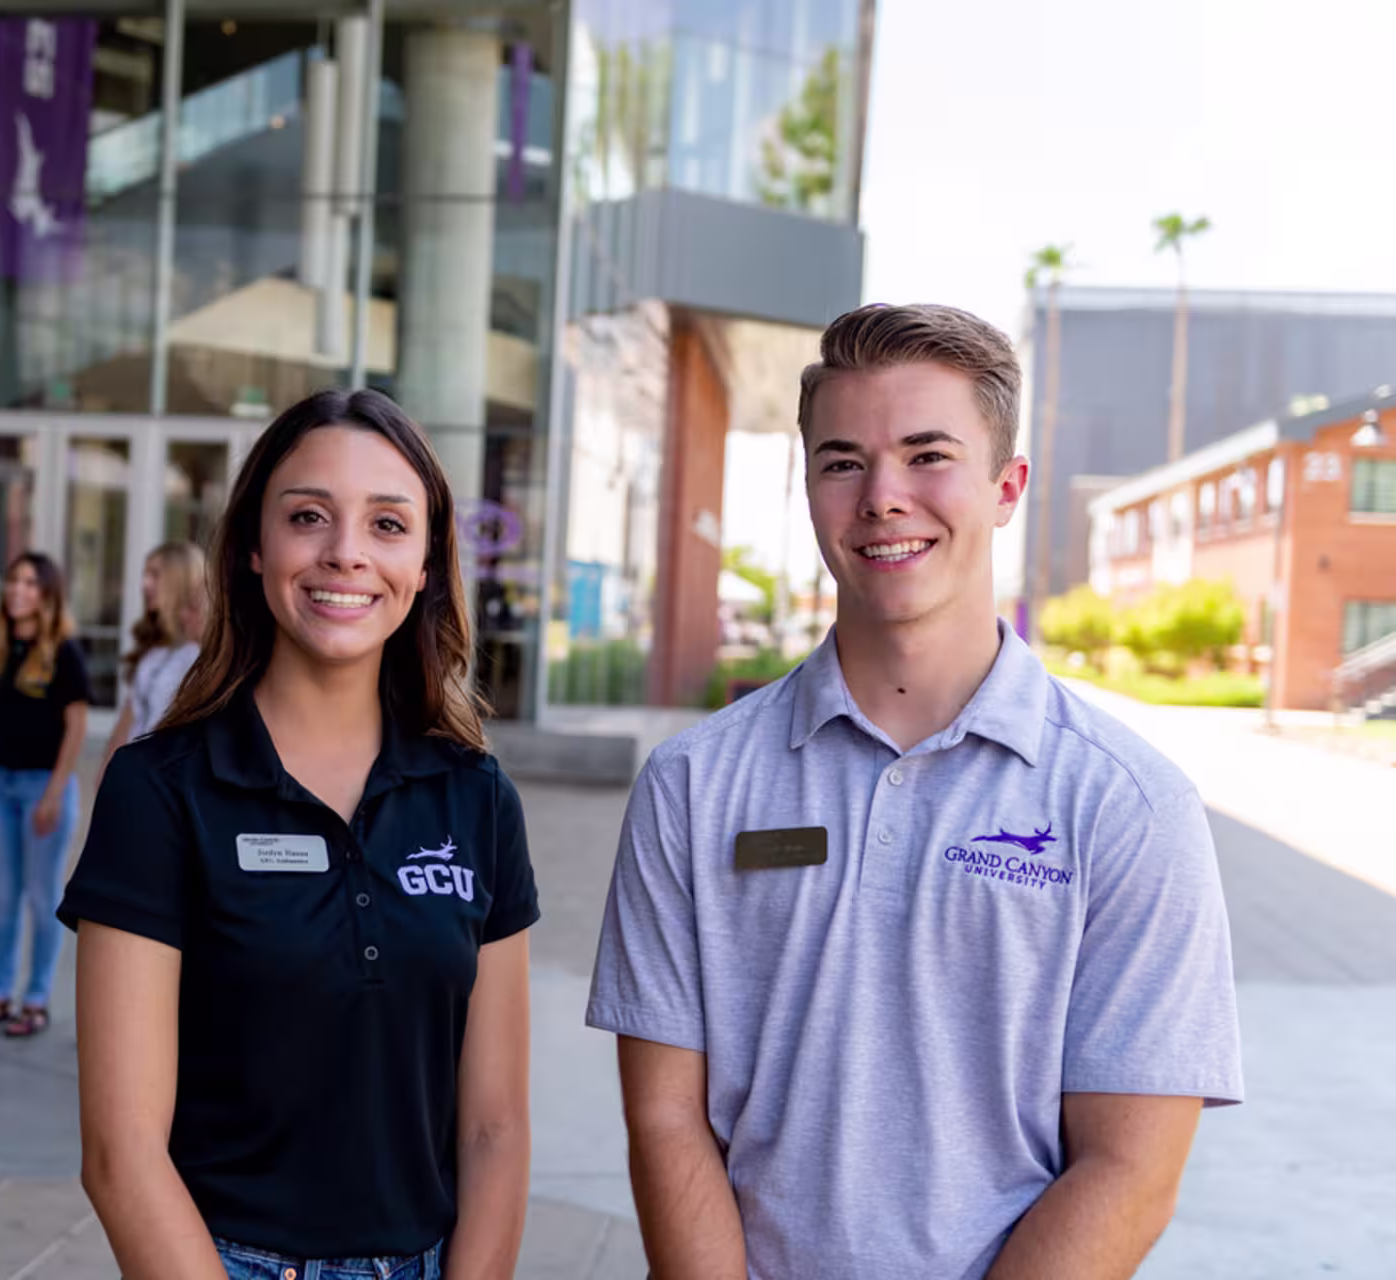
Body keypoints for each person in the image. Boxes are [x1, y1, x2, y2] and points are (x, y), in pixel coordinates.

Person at [587, 304, 1244, 1279]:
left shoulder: (1130, 803)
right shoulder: (693, 784)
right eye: (843, 460)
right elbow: (665, 1115)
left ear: (1007, 484)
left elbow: (1130, 1165)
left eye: (928, 453)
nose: (883, 496)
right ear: (809, 485)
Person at [60, 388, 539, 1280]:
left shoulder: (477, 798)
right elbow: (121, 1153)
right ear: (252, 546)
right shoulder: (159, 790)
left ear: (429, 562)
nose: (346, 553)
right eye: (309, 516)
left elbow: (494, 1129)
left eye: (388, 524)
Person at [0, 551, 90, 1038]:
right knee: (3, 898)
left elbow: (76, 726)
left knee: (41, 898)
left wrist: (55, 793)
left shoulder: (64, 652)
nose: (18, 590)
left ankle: (35, 999)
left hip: (41, 788)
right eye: (13, 580)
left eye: (31, 583)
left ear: (48, 594)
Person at [95, 540, 207, 781]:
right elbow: (129, 716)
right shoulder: (156, 647)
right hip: (135, 772)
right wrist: (107, 770)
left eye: (155, 575)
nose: (145, 584)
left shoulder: (201, 653)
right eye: (146, 574)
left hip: (167, 779)